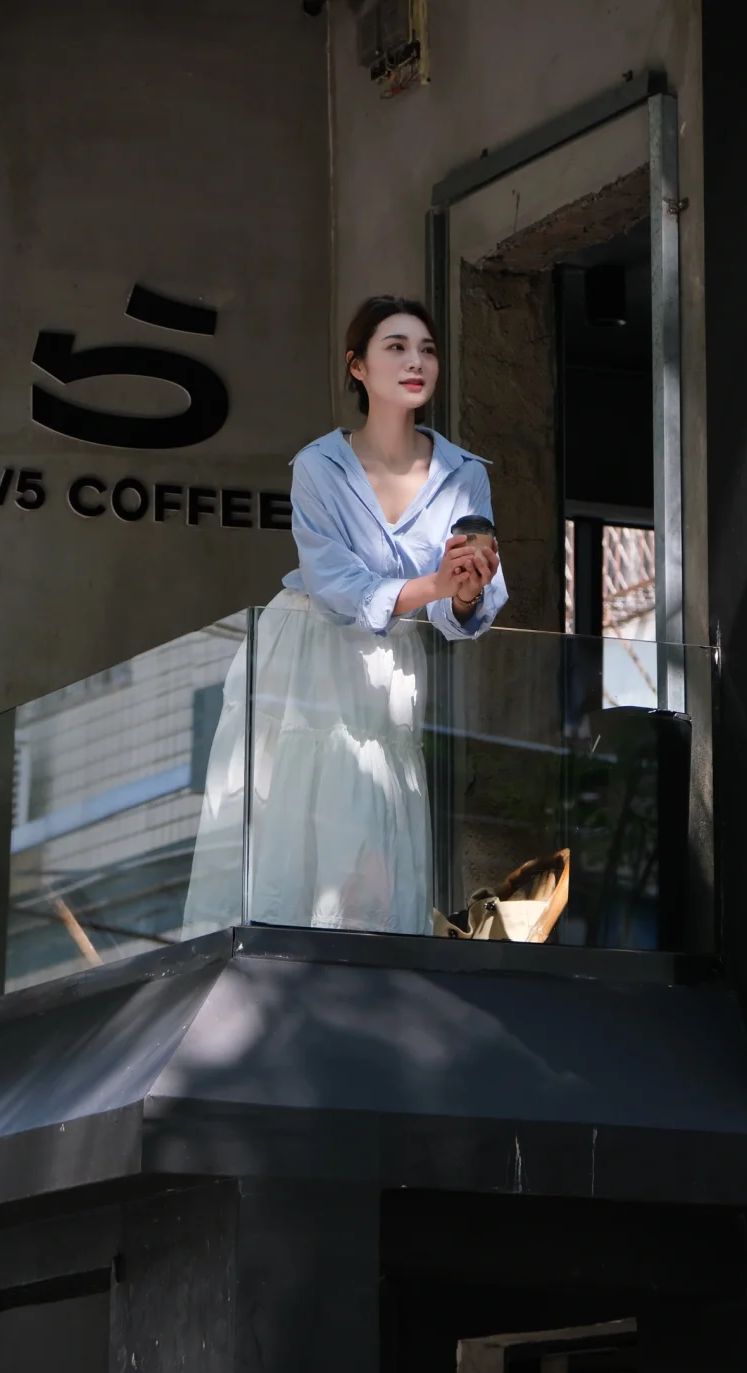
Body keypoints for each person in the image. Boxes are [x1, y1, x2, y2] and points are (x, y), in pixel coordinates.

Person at [183, 294, 507, 937]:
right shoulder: (319, 466)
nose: (416, 361)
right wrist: (433, 585)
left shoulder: (464, 475)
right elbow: (334, 585)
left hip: (389, 669)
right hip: (304, 652)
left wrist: (466, 591)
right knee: (286, 818)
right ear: (358, 367)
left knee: (371, 823)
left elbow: (471, 607)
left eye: (427, 350)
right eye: (397, 347)